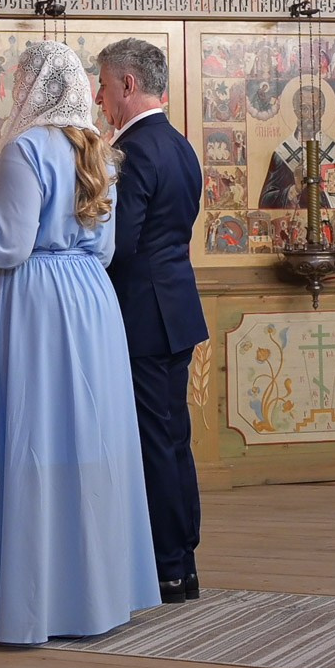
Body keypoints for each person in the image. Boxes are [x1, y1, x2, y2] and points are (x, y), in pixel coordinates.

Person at [0, 41, 160, 645]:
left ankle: (34, 600)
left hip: (34, 302)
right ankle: (93, 594)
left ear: (34, 88)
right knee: (85, 439)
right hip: (90, 300)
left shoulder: (23, 150)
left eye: (18, 81)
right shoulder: (96, 151)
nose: (13, 92)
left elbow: (7, 245)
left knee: (31, 437)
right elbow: (106, 249)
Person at [95, 39, 210, 604]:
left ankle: (167, 566)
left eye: (105, 85)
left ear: (129, 85)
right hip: (175, 311)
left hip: (143, 316)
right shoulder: (180, 145)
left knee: (155, 443)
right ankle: (180, 561)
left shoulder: (135, 149)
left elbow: (123, 245)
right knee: (172, 439)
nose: (99, 97)